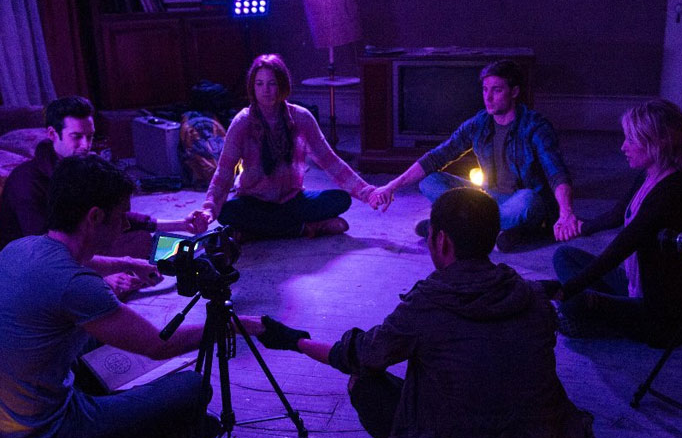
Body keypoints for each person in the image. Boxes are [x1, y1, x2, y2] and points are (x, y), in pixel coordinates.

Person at [243, 187, 602, 438]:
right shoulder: (532, 298)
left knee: (363, 383)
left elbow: (355, 355)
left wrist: (290, 339)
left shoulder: (428, 306)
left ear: (441, 241)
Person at [0, 156, 218, 438]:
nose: (124, 226)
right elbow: (159, 345)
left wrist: (127, 262)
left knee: (97, 337)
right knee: (192, 387)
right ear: (94, 217)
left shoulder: (19, 248)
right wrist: (231, 324)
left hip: (10, 422)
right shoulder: (78, 286)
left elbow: (78, 263)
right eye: (121, 217)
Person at [0, 96, 206, 297]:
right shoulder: (27, 183)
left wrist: (180, 224)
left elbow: (112, 215)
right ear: (53, 134)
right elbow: (45, 254)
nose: (85, 145)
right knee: (124, 254)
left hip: (69, 248)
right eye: (76, 136)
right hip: (30, 266)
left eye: (90, 136)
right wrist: (103, 277)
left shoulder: (80, 167)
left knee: (141, 240)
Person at [369, 59, 580, 251]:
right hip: (487, 199)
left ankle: (455, 226)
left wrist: (566, 213)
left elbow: (556, 173)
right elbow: (436, 157)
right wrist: (390, 187)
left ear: (514, 92)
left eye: (497, 90)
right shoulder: (480, 123)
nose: (488, 97)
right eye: (485, 89)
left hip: (519, 200)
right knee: (430, 182)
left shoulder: (535, 127)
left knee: (529, 200)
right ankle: (485, 227)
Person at [552, 99, 682, 348]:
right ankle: (602, 312)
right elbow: (618, 214)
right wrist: (578, 226)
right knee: (564, 256)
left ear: (657, 143)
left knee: (572, 303)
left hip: (659, 310)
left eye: (631, 140)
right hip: (635, 286)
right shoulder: (650, 174)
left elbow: (620, 248)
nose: (623, 146)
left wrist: (567, 291)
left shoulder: (670, 191)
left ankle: (602, 319)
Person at [188, 54, 376, 241]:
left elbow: (330, 161)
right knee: (226, 212)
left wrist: (367, 192)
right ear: (252, 87)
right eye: (259, 84)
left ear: (282, 85)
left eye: (272, 83)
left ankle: (256, 232)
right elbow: (224, 170)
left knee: (341, 200)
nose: (265, 90)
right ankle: (305, 228)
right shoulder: (242, 122)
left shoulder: (301, 117)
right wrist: (209, 208)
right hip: (254, 201)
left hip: (292, 199)